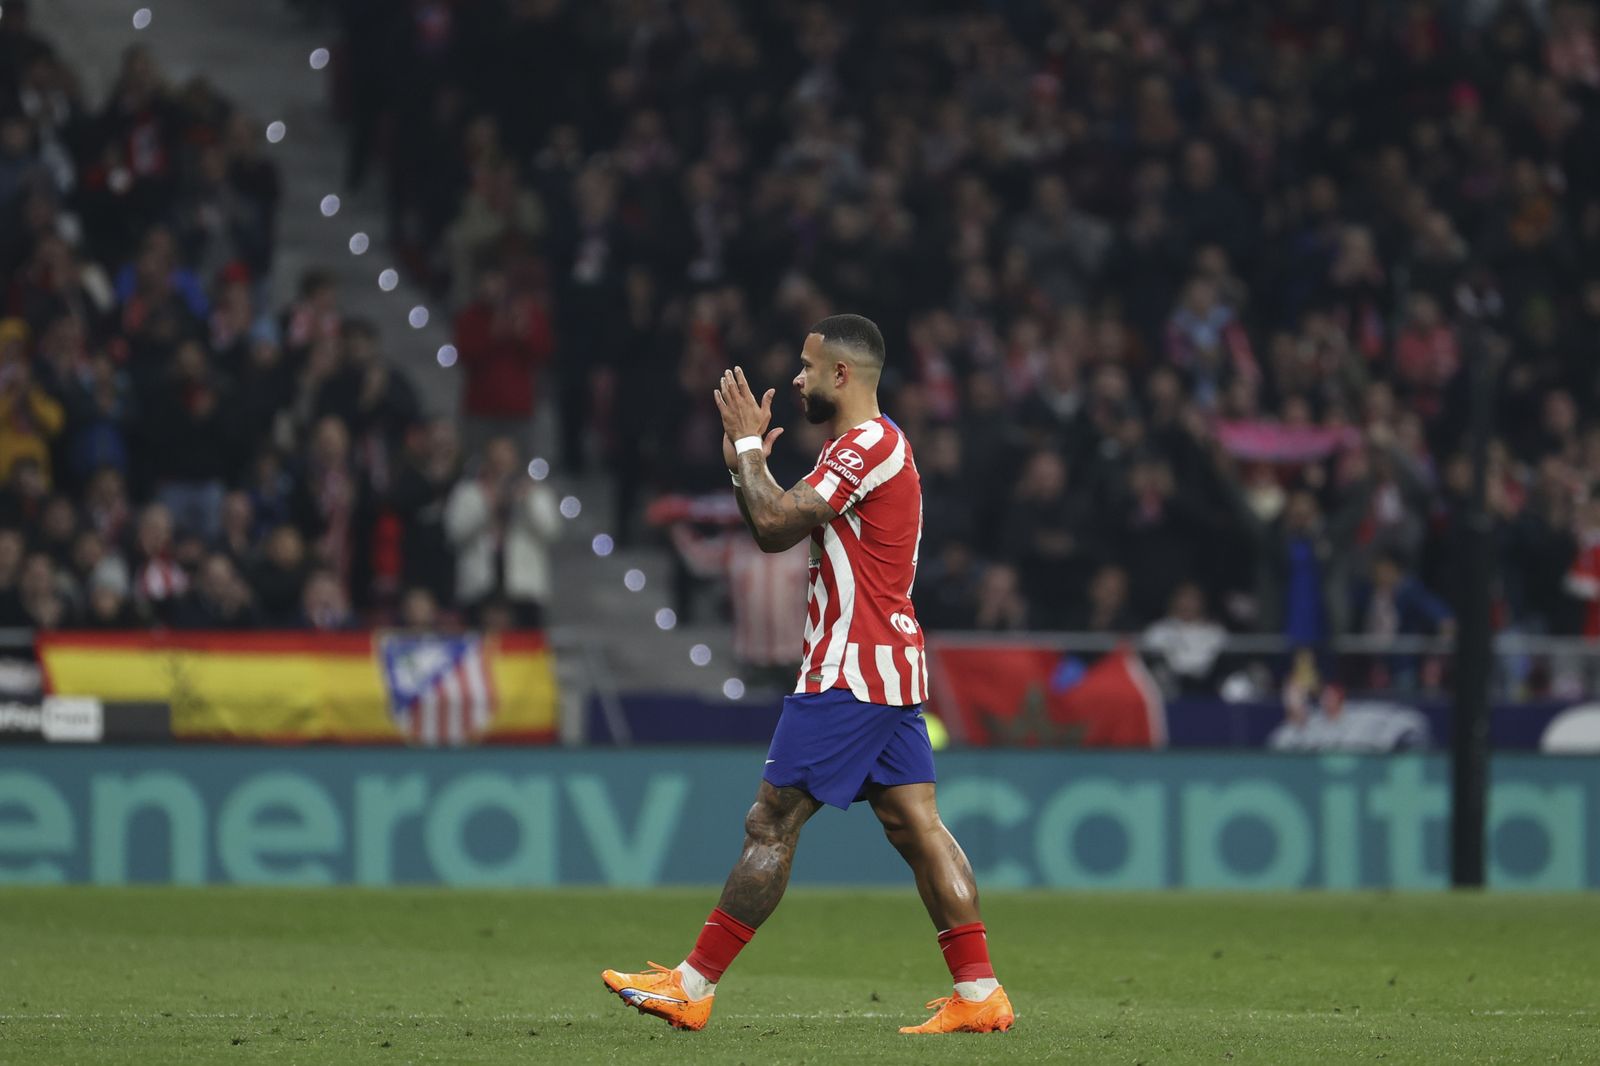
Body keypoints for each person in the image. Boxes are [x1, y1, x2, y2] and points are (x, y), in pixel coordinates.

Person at [602, 315, 1014, 1035]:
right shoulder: (860, 448)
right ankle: (979, 992)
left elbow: (772, 525)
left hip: (850, 669)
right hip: (887, 667)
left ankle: (692, 985)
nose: (796, 379)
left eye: (806, 366)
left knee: (771, 821)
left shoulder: (866, 446)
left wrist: (748, 449)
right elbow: (773, 522)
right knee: (917, 827)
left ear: (841, 374)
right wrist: (745, 464)